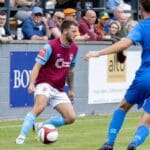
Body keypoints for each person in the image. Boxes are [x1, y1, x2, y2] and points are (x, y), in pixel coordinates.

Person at [84, 0, 150, 149]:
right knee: (147, 120)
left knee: (123, 107)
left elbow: (124, 43)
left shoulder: (142, 27)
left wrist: (98, 53)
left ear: (140, 8)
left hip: (145, 76)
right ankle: (134, 143)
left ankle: (109, 142)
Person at [15, 20, 79, 144]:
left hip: (59, 88)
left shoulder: (75, 48)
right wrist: (32, 84)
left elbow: (71, 70)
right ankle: (21, 137)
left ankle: (40, 126)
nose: (76, 34)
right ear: (65, 31)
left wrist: (71, 89)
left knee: (71, 118)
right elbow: (37, 66)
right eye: (74, 31)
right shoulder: (50, 46)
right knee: (40, 107)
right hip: (44, 83)